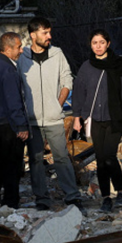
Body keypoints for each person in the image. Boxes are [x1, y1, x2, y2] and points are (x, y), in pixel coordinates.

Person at [18, 17, 82, 211]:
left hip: (54, 118)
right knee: (36, 160)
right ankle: (42, 199)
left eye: (49, 32)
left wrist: (58, 103)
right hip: (32, 120)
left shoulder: (57, 53)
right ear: (33, 35)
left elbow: (67, 79)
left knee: (61, 157)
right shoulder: (22, 57)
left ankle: (72, 196)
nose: (49, 36)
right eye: (45, 33)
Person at [71, 30, 122, 213]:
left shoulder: (119, 65)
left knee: (109, 156)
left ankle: (121, 192)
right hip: (94, 119)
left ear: (108, 43)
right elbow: (79, 92)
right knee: (101, 160)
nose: (98, 46)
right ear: (90, 45)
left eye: (102, 42)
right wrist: (76, 117)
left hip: (115, 117)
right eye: (95, 43)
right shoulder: (86, 67)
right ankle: (106, 198)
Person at [0, 32, 29, 209]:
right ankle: (10, 202)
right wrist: (21, 125)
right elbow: (13, 100)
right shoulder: (8, 69)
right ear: (7, 49)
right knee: (11, 165)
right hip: (7, 125)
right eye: (18, 47)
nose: (21, 50)